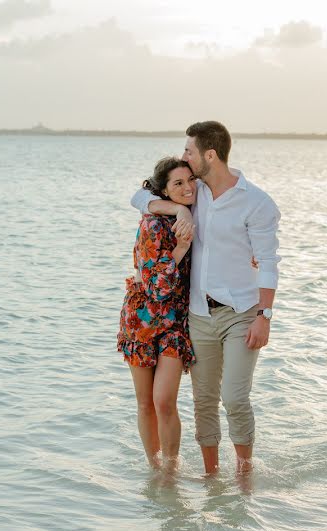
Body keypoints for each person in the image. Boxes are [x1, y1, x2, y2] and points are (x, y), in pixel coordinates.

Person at [130, 121, 281, 475]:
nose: (184, 156)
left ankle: (245, 472)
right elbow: (139, 197)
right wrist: (179, 210)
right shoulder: (192, 195)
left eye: (189, 151)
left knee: (234, 397)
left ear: (209, 155)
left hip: (242, 312)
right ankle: (211, 475)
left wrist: (265, 315)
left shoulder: (256, 202)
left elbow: (270, 262)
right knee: (204, 402)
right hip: (198, 314)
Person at [118, 156, 197, 471]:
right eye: (178, 183)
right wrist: (180, 249)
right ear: (163, 191)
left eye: (190, 181)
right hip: (143, 319)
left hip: (174, 322)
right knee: (145, 402)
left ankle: (171, 468)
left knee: (164, 401)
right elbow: (157, 286)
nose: (187, 187)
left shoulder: (193, 207)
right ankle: (155, 469)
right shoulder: (153, 222)